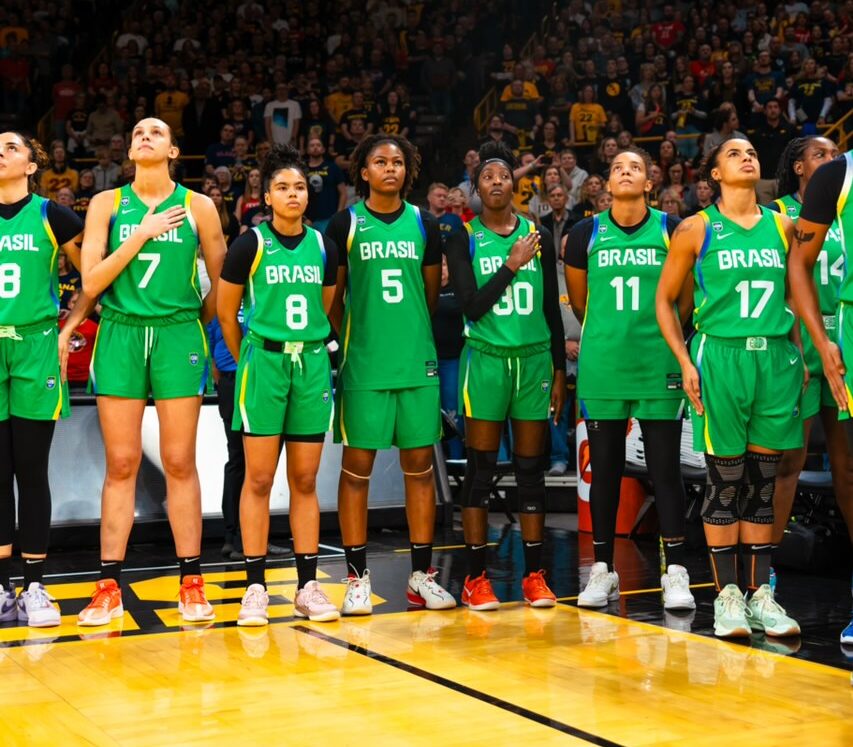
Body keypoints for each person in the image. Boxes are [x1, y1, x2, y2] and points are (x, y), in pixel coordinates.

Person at [77, 118, 225, 627]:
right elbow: (92, 281)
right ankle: (108, 586)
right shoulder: (107, 204)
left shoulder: (199, 206)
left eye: (156, 132)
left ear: (174, 150)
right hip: (119, 331)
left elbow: (222, 287)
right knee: (121, 464)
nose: (144, 136)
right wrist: (139, 235)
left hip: (177, 333)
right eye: (138, 132)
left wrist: (185, 324)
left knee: (180, 460)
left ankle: (191, 581)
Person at [656, 137, 802, 639]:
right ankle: (726, 597)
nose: (747, 157)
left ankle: (762, 595)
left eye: (752, 153)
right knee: (726, 479)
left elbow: (797, 292)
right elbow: (664, 302)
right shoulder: (697, 228)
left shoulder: (783, 226)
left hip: (775, 359)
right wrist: (684, 360)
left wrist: (800, 351)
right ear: (715, 174)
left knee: (763, 480)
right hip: (719, 356)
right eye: (734, 154)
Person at [326, 133, 456, 614]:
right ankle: (357, 578)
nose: (389, 169)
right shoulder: (344, 224)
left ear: (408, 170)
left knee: (420, 468)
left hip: (416, 363)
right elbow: (334, 300)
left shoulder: (425, 223)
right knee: (356, 469)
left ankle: (421, 575)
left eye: (397, 162)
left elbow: (426, 295)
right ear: (363, 171)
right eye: (379, 162)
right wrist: (357, 343)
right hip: (365, 364)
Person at [566, 147, 695, 611]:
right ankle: (603, 571)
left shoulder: (671, 229)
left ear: (649, 182)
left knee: (664, 470)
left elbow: (685, 302)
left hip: (657, 361)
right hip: (604, 364)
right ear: (607, 180)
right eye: (618, 166)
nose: (625, 171)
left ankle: (675, 570)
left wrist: (669, 341)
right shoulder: (584, 232)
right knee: (606, 470)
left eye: (634, 167)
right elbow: (580, 305)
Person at [217, 144, 340, 625]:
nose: (293, 194)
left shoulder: (323, 245)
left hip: (310, 366)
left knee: (305, 480)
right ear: (266, 196)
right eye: (283, 187)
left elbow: (326, 309)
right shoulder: (250, 243)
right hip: (264, 365)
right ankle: (255, 587)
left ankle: (308, 586)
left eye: (300, 187)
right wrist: (251, 351)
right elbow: (227, 314)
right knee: (260, 478)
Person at [445, 140, 565, 610]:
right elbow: (471, 306)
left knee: (531, 472)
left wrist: (558, 368)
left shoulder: (539, 232)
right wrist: (511, 265)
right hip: (487, 359)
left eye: (503, 175)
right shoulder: (463, 236)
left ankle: (534, 575)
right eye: (487, 177)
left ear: (515, 184)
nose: (496, 182)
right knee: (480, 471)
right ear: (476, 189)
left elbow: (552, 308)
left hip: (534, 360)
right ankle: (476, 578)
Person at [0, 132, 86, 627]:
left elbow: (92, 277)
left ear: (33, 165)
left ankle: (34, 587)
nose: (2, 153)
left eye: (13, 148)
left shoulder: (54, 215)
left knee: (31, 470)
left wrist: (69, 327)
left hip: (35, 344)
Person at [768, 137, 852, 593]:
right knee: (788, 464)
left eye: (835, 153)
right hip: (797, 347)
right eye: (820, 154)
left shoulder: (845, 205)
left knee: (848, 468)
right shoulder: (777, 215)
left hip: (844, 344)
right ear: (798, 167)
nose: (832, 159)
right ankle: (769, 570)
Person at [788, 146, 853, 645]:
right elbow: (799, 266)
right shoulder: (840, 174)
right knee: (844, 464)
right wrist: (821, 338)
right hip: (841, 333)